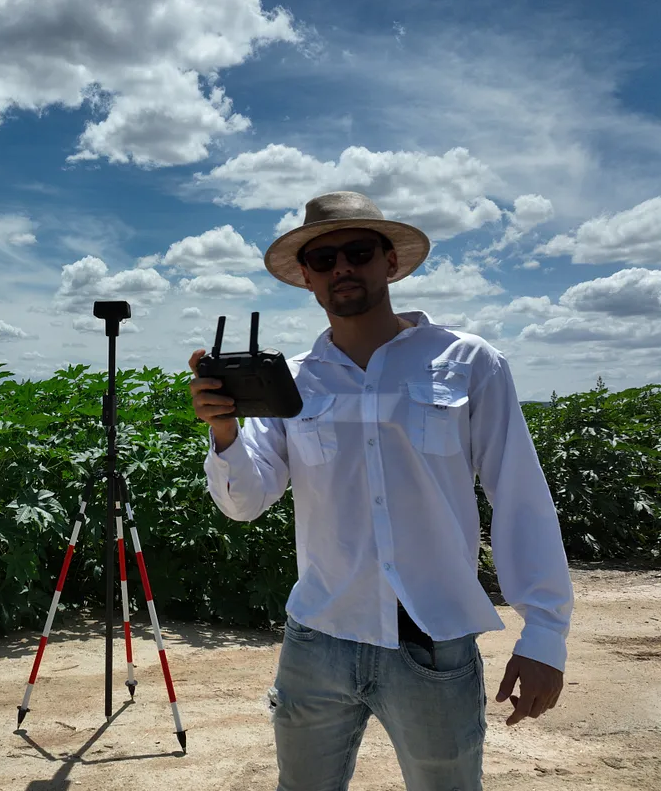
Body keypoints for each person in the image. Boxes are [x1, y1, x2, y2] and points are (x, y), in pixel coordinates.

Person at [187, 191, 574, 791]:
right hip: (318, 638)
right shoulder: (292, 382)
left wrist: (545, 632)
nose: (342, 266)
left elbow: (520, 497)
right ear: (308, 280)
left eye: (358, 251)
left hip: (433, 643)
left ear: (390, 263)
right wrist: (224, 430)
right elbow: (245, 501)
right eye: (323, 259)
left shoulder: (469, 362)